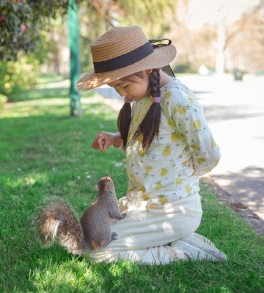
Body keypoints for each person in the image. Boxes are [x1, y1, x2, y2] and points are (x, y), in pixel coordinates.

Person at [76, 25, 227, 264]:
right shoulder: (145, 97)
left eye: (124, 86)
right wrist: (117, 137)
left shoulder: (177, 99)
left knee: (99, 253)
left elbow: (209, 153)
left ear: (147, 69)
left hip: (174, 210)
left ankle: (183, 251)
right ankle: (168, 239)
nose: (122, 95)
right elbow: (153, 136)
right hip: (143, 205)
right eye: (116, 89)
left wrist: (183, 178)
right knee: (90, 237)